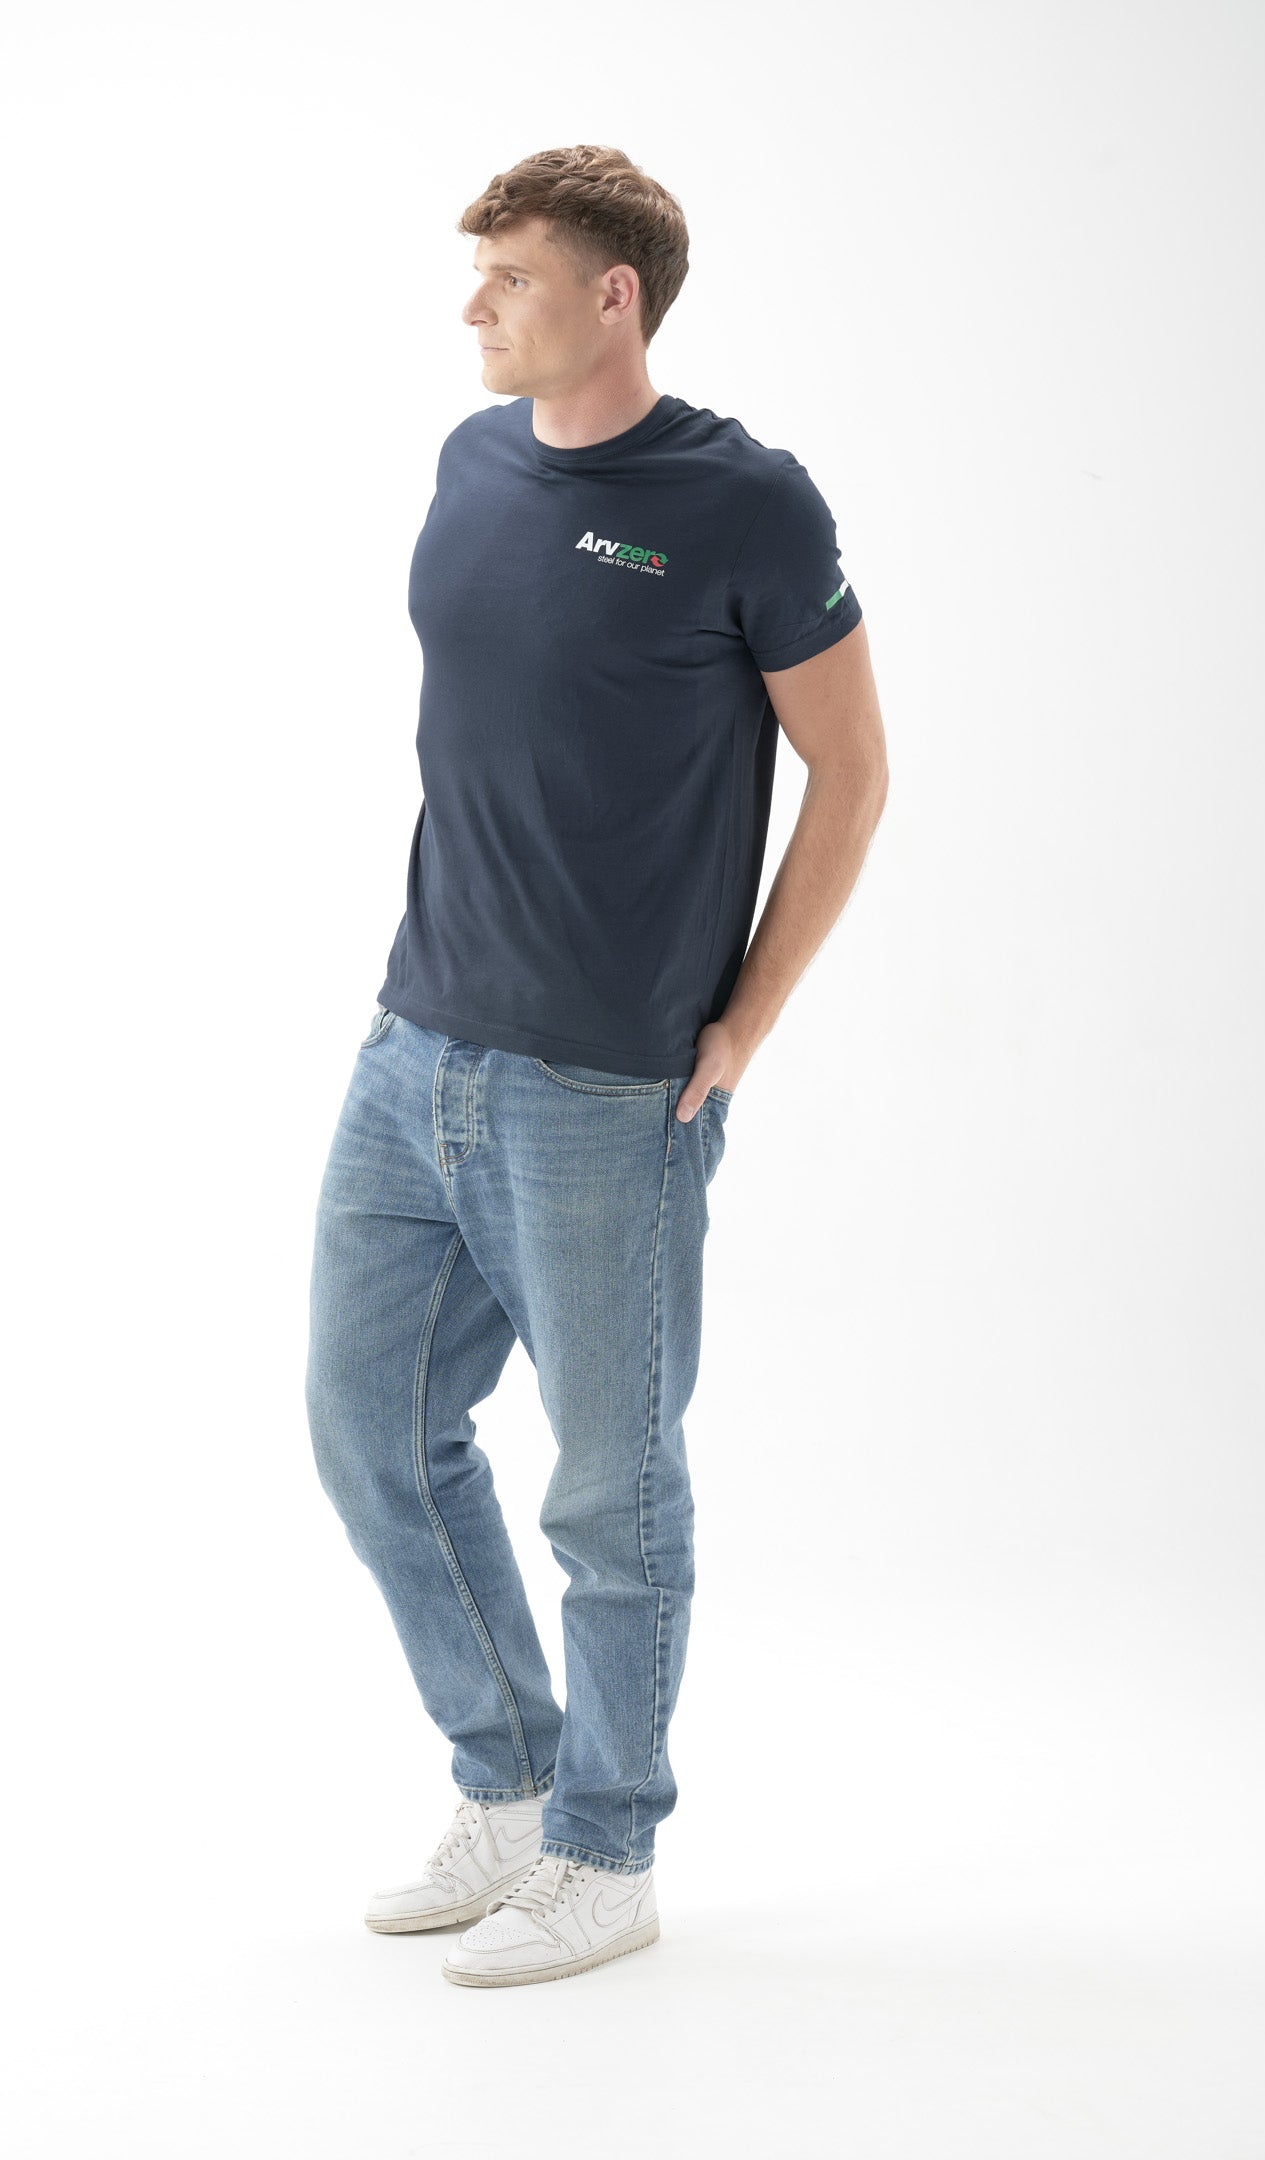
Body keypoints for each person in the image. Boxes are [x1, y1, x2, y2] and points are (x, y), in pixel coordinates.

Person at [305, 144, 888, 1989]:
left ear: (613, 296)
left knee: (609, 1496)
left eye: (511, 278)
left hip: (602, 1094)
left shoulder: (743, 504)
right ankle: (511, 1781)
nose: (472, 308)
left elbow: (852, 771)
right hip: (415, 1044)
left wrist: (742, 1024)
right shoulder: (472, 462)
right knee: (370, 1433)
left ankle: (606, 1849)